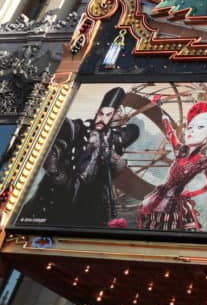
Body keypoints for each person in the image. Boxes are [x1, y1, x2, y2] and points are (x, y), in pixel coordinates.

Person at [18, 87, 140, 227]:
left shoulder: (112, 139)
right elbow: (53, 152)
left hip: (90, 203)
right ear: (97, 112)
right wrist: (59, 176)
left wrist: (115, 160)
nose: (102, 119)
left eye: (108, 115)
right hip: (57, 197)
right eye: (101, 114)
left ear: (114, 116)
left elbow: (133, 131)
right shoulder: (77, 128)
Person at [138, 101, 207, 232]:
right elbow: (170, 133)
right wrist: (161, 111)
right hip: (160, 194)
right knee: (151, 223)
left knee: (168, 228)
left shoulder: (205, 161)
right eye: (190, 127)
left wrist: (191, 193)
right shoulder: (180, 151)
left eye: (200, 127)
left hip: (174, 202)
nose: (191, 131)